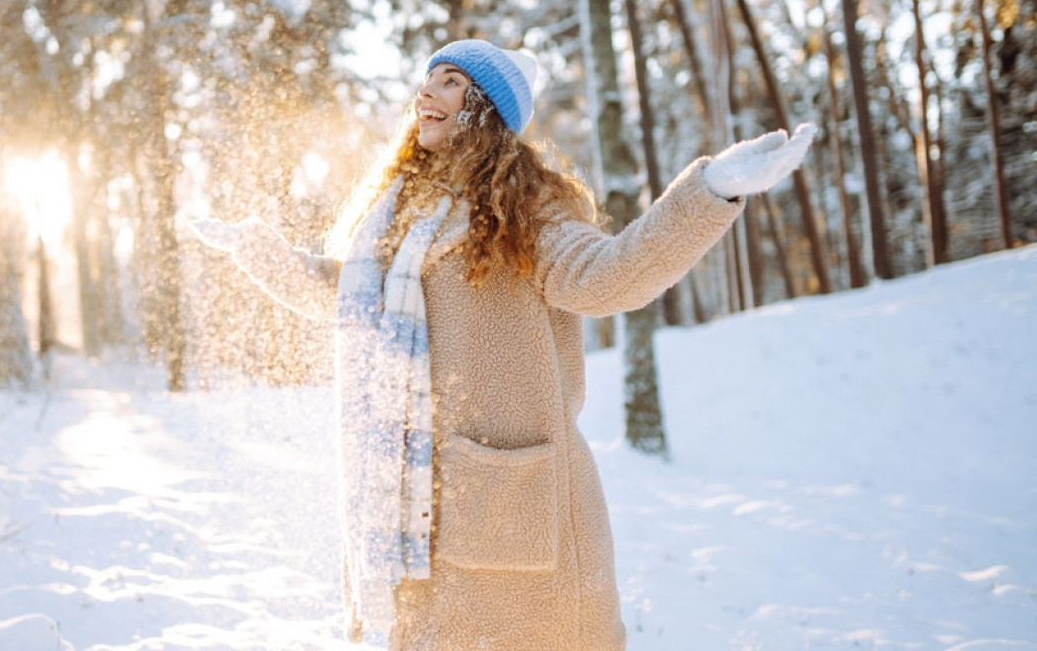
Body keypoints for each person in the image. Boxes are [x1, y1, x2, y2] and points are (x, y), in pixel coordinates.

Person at [188, 39, 813, 650]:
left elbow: (610, 275)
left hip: (512, 508)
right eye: (428, 79)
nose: (426, 91)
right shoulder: (403, 213)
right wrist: (258, 252)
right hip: (419, 510)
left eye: (451, 81)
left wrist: (710, 192)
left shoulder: (528, 211)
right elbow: (351, 295)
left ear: (485, 107)